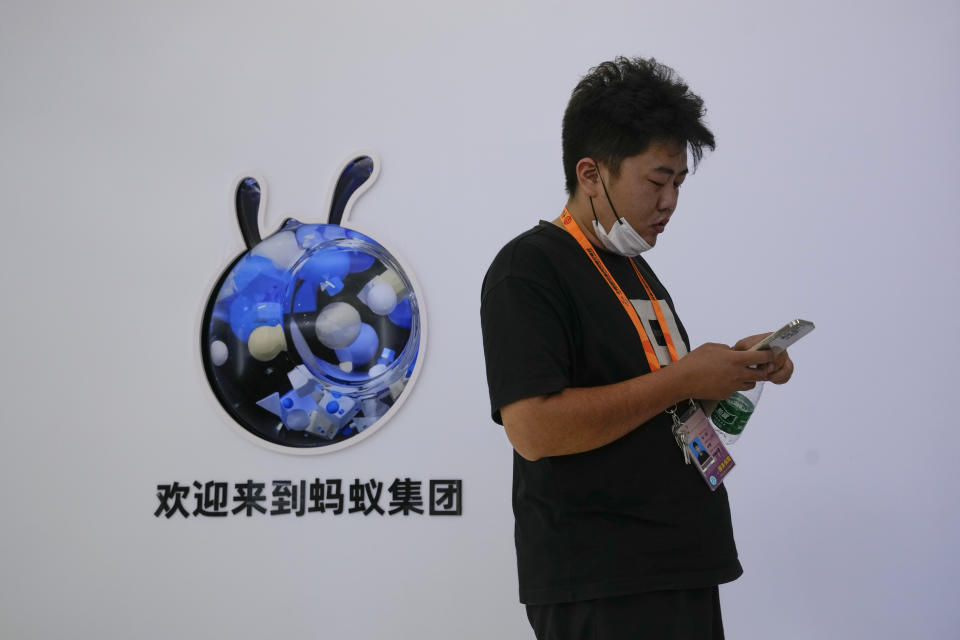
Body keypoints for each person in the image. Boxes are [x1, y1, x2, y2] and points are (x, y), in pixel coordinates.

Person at [479, 56, 794, 639]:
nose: (671, 200)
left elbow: (657, 397)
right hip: (604, 580)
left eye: (679, 182)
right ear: (592, 173)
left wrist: (731, 368)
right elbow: (534, 430)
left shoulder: (635, 270)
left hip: (677, 564)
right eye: (656, 181)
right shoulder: (529, 268)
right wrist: (684, 378)